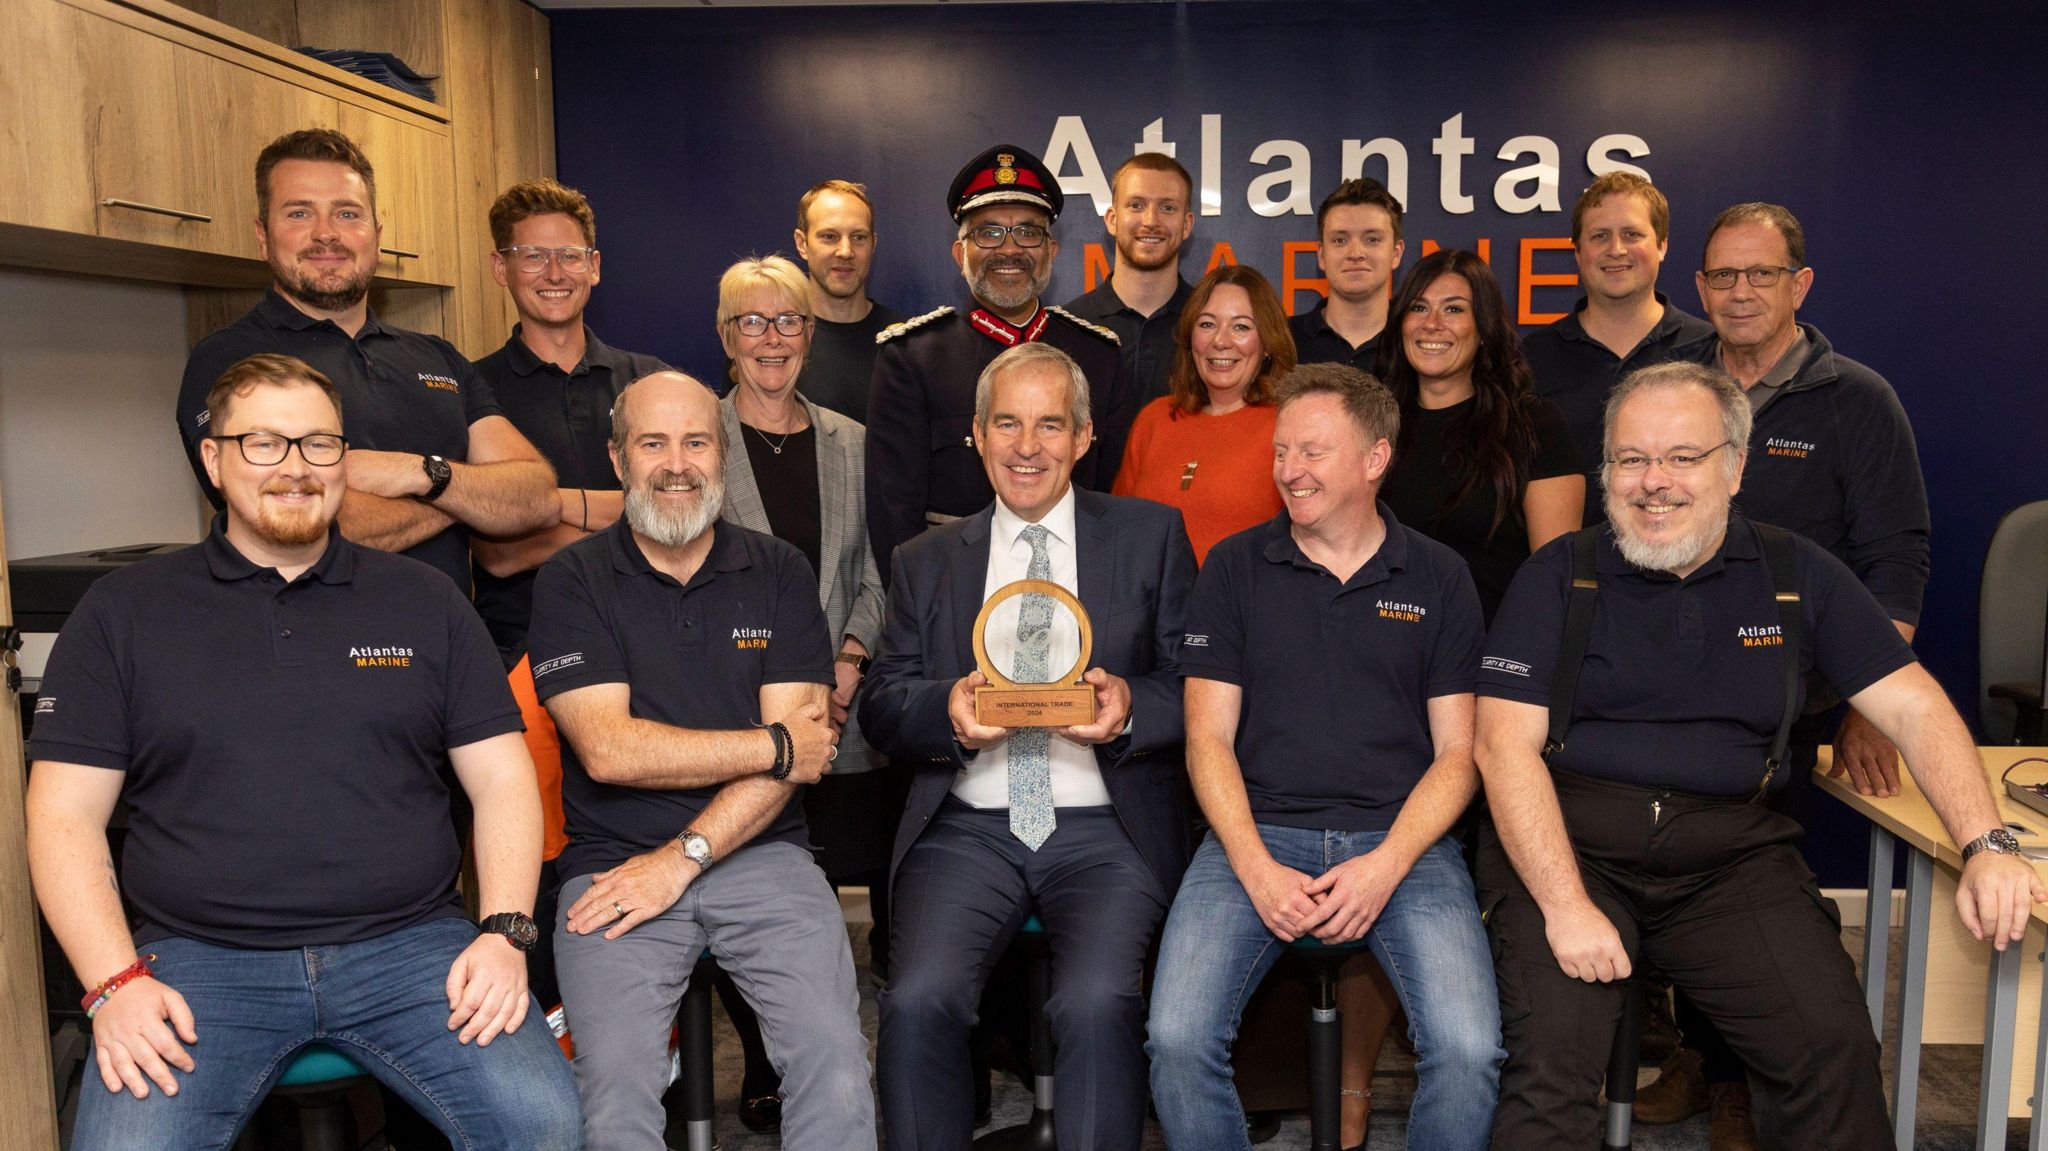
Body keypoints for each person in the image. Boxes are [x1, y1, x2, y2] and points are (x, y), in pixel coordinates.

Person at [1472, 360, 2041, 1148]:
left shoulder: (1796, 572)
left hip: (1731, 861)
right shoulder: (1557, 576)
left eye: (1683, 457)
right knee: (1551, 1069)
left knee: (1832, 1050)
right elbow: (1502, 747)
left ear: (1735, 467)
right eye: (1631, 458)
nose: (1653, 482)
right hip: (1569, 849)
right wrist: (1567, 907)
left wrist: (1987, 841)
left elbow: (1913, 706)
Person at [26, 353, 580, 1149]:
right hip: (199, 962)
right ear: (214, 459)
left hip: (411, 949)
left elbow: (502, 780)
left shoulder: (425, 601)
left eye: (320, 444)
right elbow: (62, 815)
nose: (295, 467)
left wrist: (503, 931)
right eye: (264, 443)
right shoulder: (125, 612)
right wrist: (114, 983)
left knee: (544, 1123)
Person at [1629, 201, 1935, 1145]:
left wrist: (1869, 704)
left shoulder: (1857, 400)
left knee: (1755, 895)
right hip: (1669, 690)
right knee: (1659, 861)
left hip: (1797, 701)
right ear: (1700, 287)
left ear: (1800, 284)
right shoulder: (1668, 386)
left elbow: (1896, 559)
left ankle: (1740, 1081)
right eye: (1723, 276)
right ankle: (1701, 1050)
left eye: (1760, 274)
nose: (1739, 292)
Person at [1147, 362, 1503, 1151]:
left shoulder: (1440, 577)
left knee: (1471, 1051)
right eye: (1281, 451)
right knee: (1174, 1039)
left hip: (1402, 843)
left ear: (1375, 459)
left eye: (1312, 451)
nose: (1288, 470)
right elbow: (1206, 737)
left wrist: (1387, 865)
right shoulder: (1234, 568)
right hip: (1257, 832)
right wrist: (1252, 863)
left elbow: (1458, 755)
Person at [528, 371, 875, 1150]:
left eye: (696, 442)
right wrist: (774, 745)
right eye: (653, 442)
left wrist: (684, 855)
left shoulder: (780, 570)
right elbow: (609, 750)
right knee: (612, 1094)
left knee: (837, 1063)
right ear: (618, 459)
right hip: (611, 866)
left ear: (722, 456)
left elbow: (805, 754)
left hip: (762, 853)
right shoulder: (571, 580)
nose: (676, 462)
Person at [861, 342, 1196, 1150]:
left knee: (1096, 1001)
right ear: (975, 434)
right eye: (1006, 423)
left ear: (1085, 438)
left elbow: (1199, 683)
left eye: (1051, 424)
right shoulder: (926, 560)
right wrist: (945, 710)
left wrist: (1126, 707)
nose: (1027, 445)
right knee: (916, 1000)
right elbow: (880, 701)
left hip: (1105, 826)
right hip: (971, 823)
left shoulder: (1151, 536)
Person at [465, 174, 672, 1070]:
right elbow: (497, 549)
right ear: (501, 267)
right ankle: (551, 1057)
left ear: (596, 267)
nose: (553, 271)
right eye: (532, 255)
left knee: (642, 856)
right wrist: (616, 508)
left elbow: (677, 518)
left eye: (569, 255)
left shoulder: (647, 383)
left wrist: (544, 509)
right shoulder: (468, 389)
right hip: (512, 668)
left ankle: (644, 1054)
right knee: (538, 872)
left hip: (648, 659)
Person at [176, 128, 558, 593]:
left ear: (376, 235)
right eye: (299, 213)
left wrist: (415, 472)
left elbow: (536, 495)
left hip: (446, 647)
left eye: (347, 213)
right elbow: (311, 524)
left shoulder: (438, 357)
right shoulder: (230, 360)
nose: (325, 233)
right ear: (263, 235)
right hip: (309, 652)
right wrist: (465, 499)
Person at [713, 254, 892, 1132]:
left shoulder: (854, 442)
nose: (771, 338)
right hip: (734, 714)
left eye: (787, 321)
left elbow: (879, 567)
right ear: (725, 337)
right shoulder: (694, 440)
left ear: (811, 335)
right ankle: (765, 1060)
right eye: (752, 321)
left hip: (844, 708)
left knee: (862, 883)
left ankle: (866, 1061)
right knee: (752, 892)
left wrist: (852, 656)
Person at [866, 143, 1134, 583]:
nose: (1009, 250)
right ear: (960, 254)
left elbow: (1110, 496)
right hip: (954, 588)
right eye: (988, 233)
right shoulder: (912, 358)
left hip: (1074, 585)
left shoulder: (1098, 357)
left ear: (1052, 251)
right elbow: (893, 516)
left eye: (1028, 232)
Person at [1377, 249, 1584, 621]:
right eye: (1419, 308)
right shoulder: (1374, 423)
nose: (1432, 324)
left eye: (1454, 309)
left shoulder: (1534, 424)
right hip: (1387, 655)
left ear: (1484, 328)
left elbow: (1556, 579)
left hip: (1492, 655)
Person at [1521, 172, 1715, 524]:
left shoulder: (1710, 353)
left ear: (1662, 245)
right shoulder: (1530, 359)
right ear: (1578, 252)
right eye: (1599, 236)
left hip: (1686, 572)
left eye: (1632, 234)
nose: (1616, 249)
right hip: (1567, 572)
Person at [1111, 264, 1292, 564]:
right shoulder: (1155, 420)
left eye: (1241, 327)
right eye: (1207, 324)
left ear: (1268, 344)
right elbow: (1119, 531)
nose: (1220, 341)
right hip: (1155, 607)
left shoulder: (1288, 425)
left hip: (1243, 607)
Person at [1065, 152, 1198, 405]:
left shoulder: (1209, 326)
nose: (1151, 221)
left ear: (1186, 224)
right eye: (1136, 205)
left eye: (1167, 207)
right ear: (1112, 220)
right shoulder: (1069, 327)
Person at [790, 179, 904, 423]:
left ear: (873, 243)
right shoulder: (773, 341)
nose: (845, 251)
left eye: (858, 237)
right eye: (829, 236)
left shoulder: (908, 341)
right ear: (802, 244)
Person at [1289, 178, 1406, 368]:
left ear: (1396, 253)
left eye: (1372, 239)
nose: (1355, 253)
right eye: (1340, 240)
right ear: (1322, 255)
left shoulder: (1419, 342)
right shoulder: (1283, 341)